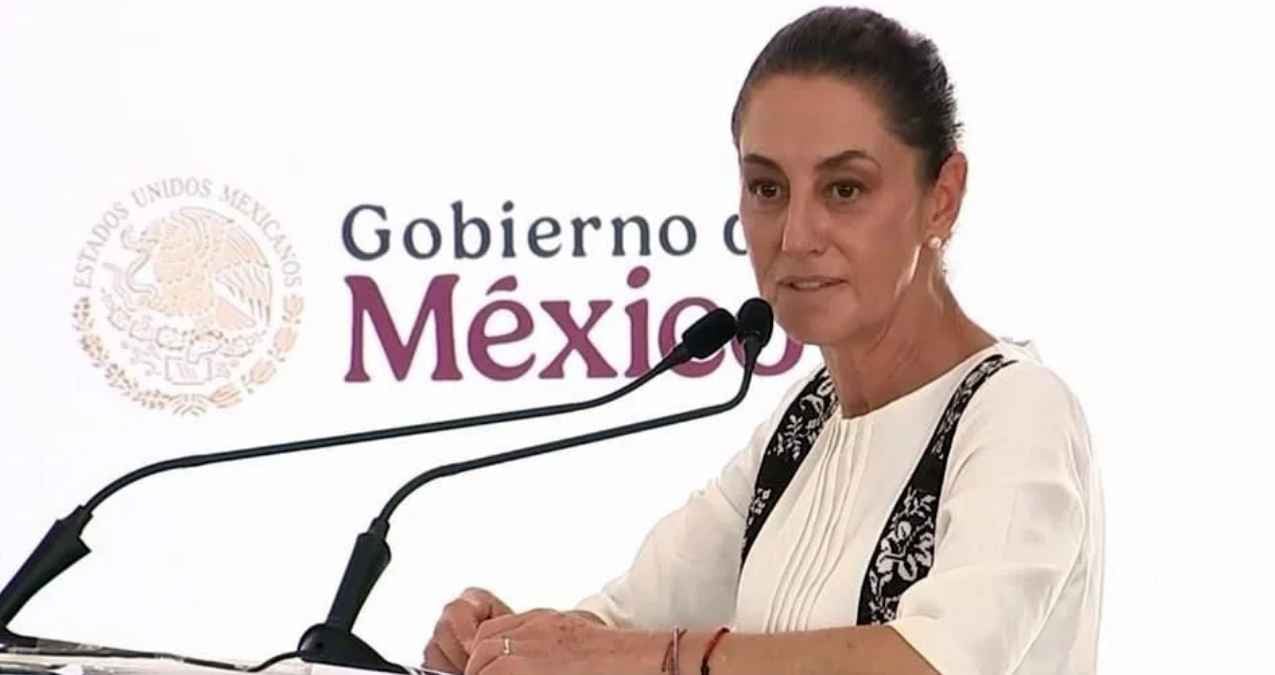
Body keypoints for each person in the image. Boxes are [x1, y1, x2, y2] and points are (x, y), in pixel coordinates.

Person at [423, 6, 1103, 674]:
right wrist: (508, 640)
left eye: (844, 189)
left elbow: (936, 663)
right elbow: (622, 621)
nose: (796, 236)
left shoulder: (1017, 410)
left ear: (942, 197)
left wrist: (639, 655)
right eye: (767, 188)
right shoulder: (802, 424)